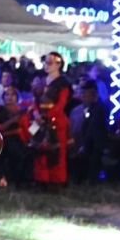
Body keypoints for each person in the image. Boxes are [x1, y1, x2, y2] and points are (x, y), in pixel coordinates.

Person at [31, 52, 71, 186]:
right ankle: (41, 179)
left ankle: (57, 180)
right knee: (38, 147)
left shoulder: (63, 83)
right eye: (45, 62)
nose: (46, 66)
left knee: (56, 150)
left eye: (50, 63)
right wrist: (37, 114)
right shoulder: (41, 81)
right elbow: (35, 101)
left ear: (58, 64)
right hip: (40, 119)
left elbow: (61, 104)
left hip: (56, 120)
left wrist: (47, 116)